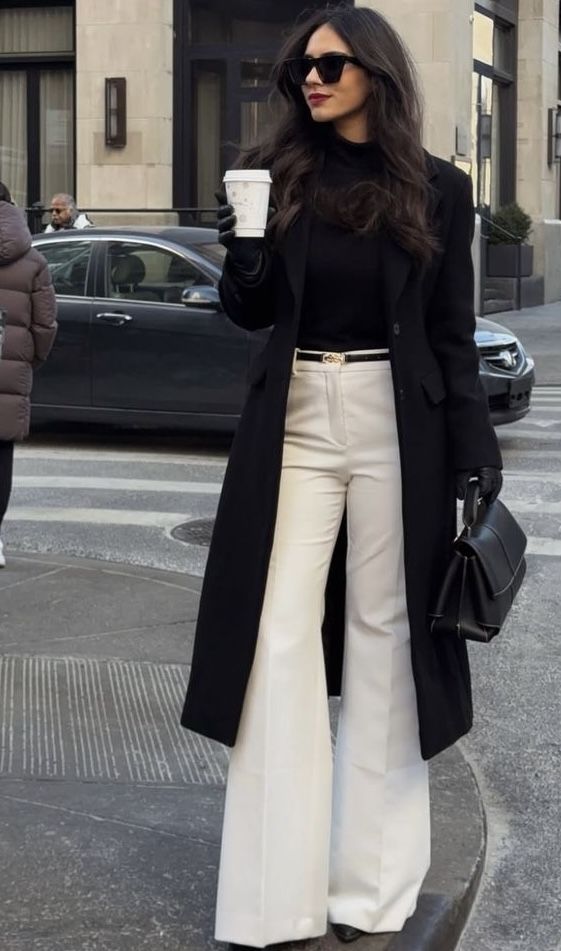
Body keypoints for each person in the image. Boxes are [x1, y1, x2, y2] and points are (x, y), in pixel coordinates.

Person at [181, 5, 503, 947]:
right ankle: (271, 897)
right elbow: (250, 312)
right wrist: (241, 247)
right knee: (275, 633)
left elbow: (450, 335)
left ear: (376, 72)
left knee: (383, 634)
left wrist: (476, 459)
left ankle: (369, 887)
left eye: (326, 65)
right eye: (298, 72)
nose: (308, 81)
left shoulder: (437, 191)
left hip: (397, 422)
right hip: (296, 419)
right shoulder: (280, 176)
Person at [0, 182, 57, 567]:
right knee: (2, 454)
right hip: (10, 369)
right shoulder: (34, 261)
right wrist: (28, 359)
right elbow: (46, 325)